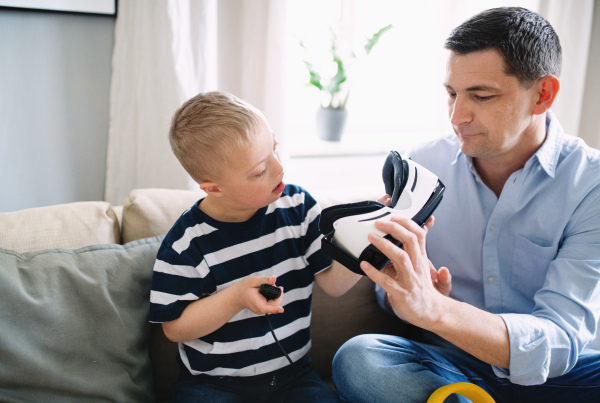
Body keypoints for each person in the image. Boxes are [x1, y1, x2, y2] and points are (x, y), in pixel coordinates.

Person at [332, 7, 600, 402]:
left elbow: (558, 340)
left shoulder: (590, 183)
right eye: (452, 94)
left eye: (481, 95)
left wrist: (438, 310)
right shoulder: (423, 165)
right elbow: (396, 299)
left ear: (542, 94)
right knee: (359, 359)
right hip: (452, 363)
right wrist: (404, 284)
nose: (457, 116)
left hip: (559, 376)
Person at [149, 91, 361, 402]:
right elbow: (175, 328)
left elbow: (334, 283)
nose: (279, 170)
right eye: (260, 171)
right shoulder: (185, 245)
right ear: (214, 188)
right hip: (213, 384)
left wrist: (369, 240)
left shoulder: (297, 206)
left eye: (274, 149)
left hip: (295, 376)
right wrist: (235, 298)